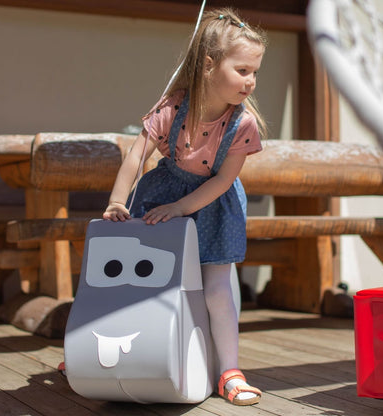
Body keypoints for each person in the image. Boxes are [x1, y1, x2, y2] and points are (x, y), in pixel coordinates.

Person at [103, 7, 267, 406]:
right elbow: (135, 155)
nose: (251, 81)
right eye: (242, 70)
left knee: (216, 289)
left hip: (213, 205)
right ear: (209, 65)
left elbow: (224, 181)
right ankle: (102, 353)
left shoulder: (242, 125)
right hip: (162, 195)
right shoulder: (171, 107)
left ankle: (230, 371)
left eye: (255, 72)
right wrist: (116, 201)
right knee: (142, 281)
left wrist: (182, 208)